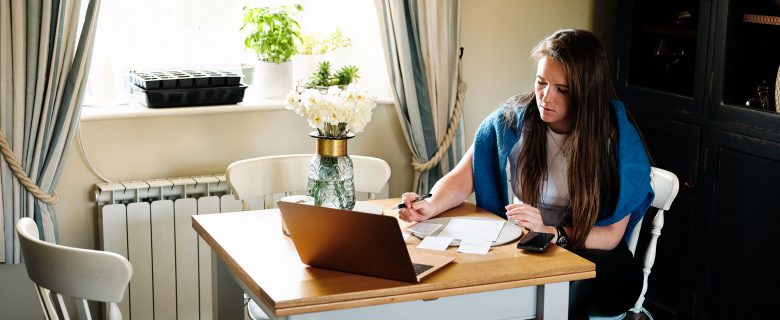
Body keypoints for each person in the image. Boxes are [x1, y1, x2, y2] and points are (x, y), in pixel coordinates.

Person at [398, 29, 655, 319]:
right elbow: (462, 177)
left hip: (594, 256)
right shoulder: (514, 121)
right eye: (541, 82)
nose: (546, 96)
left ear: (587, 91)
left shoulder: (617, 142)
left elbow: (609, 235)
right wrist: (429, 204)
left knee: (561, 290)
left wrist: (552, 232)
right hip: (531, 244)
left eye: (563, 89)